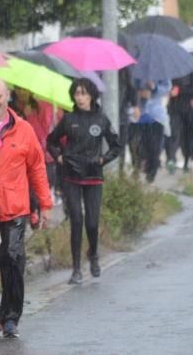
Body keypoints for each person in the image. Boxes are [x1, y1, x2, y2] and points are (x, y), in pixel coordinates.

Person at [0, 79, 52, 339]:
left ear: (7, 96)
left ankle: (10, 316)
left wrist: (45, 205)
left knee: (11, 258)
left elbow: (37, 168)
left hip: (15, 207)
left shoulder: (24, 130)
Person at [47, 78, 121, 285]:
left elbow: (116, 146)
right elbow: (51, 141)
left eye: (84, 93)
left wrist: (102, 160)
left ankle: (94, 254)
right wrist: (59, 156)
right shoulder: (69, 119)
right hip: (71, 175)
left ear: (91, 95)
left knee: (92, 222)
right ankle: (76, 268)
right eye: (77, 93)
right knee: (77, 220)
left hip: (93, 176)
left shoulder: (101, 119)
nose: (80, 97)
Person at [13, 87, 62, 205]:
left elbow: (42, 133)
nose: (21, 92)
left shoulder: (44, 107)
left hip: (44, 155)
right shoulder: (12, 106)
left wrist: (29, 116)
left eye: (24, 90)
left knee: (39, 188)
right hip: (22, 154)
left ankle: (38, 214)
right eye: (19, 89)